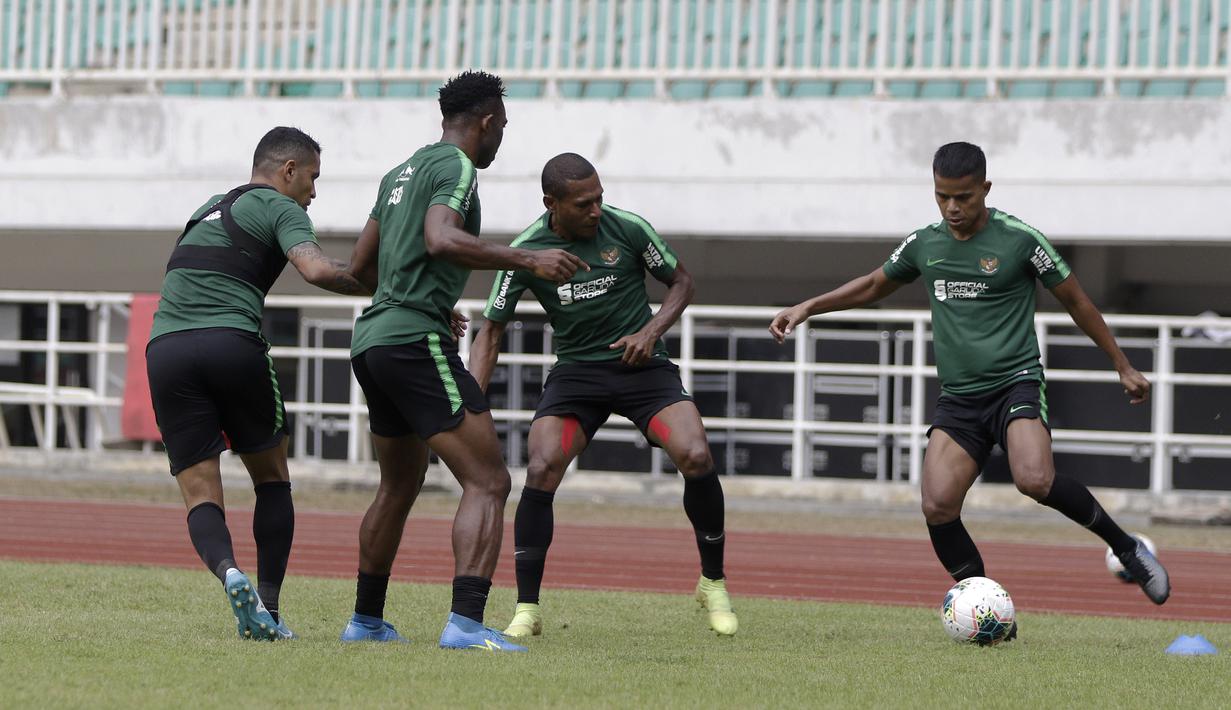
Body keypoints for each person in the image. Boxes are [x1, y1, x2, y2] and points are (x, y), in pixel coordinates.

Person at [769, 142, 1170, 619]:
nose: (953, 208)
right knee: (937, 505)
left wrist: (1121, 364)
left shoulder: (1020, 240)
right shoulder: (925, 244)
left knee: (1034, 480)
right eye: (942, 197)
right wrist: (808, 307)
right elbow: (876, 284)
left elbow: (1077, 301)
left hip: (1015, 383)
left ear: (985, 188)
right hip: (960, 399)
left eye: (963, 197)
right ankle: (987, 609)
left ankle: (1126, 548)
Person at [340, 71, 586, 652]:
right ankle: (465, 625)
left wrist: (424, 297)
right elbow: (441, 239)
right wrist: (528, 260)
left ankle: (366, 621)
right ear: (487, 122)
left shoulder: (399, 173)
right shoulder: (456, 167)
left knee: (398, 483)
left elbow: (360, 269)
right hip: (412, 342)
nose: (501, 136)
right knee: (489, 480)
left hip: (374, 338)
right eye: (502, 125)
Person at [470, 153, 738, 639]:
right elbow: (491, 330)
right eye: (583, 203)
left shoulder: (627, 229)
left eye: (599, 198)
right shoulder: (528, 251)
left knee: (696, 454)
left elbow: (683, 282)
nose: (596, 210)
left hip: (643, 367)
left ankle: (712, 582)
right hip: (578, 374)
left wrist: (651, 331)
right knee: (541, 466)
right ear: (552, 204)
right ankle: (527, 609)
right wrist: (471, 404)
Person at [147, 126, 369, 641]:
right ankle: (268, 607)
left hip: (167, 350)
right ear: (288, 171)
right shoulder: (281, 206)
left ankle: (228, 570)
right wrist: (401, 294)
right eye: (312, 178)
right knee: (271, 478)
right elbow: (316, 271)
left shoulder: (207, 206)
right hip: (231, 343)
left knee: (200, 490)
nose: (314, 192)